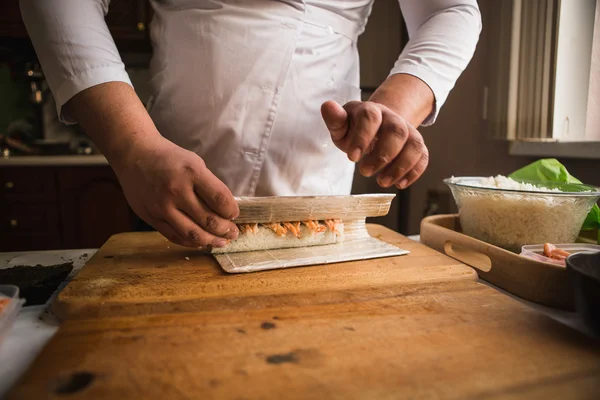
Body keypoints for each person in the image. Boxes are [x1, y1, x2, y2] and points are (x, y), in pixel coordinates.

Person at [20, 0, 481, 249]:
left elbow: (451, 8)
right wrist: (132, 147)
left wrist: (397, 105)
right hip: (165, 178)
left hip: (314, 181)